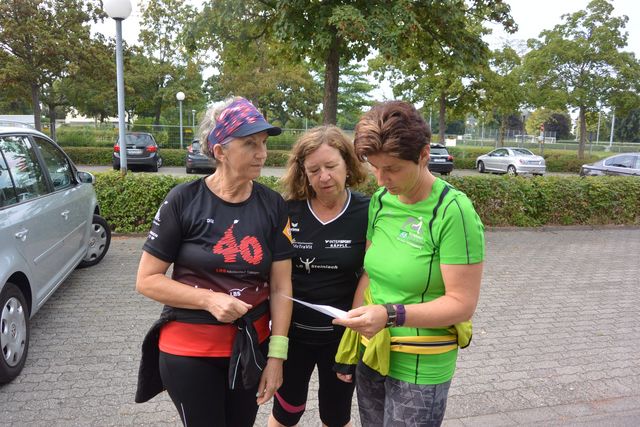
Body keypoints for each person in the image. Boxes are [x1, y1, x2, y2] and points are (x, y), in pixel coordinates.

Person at [134, 97, 294, 427]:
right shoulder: (183, 200)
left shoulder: (273, 206)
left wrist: (277, 356)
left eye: (264, 143)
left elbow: (281, 287)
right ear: (220, 151)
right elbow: (147, 280)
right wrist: (209, 300)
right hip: (188, 352)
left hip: (249, 349)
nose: (262, 153)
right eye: (250, 144)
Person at [333, 101, 485, 427]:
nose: (380, 179)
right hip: (373, 351)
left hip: (421, 363)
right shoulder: (381, 201)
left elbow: (462, 304)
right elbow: (370, 274)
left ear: (424, 155)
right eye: (375, 167)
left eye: (392, 168)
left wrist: (390, 315)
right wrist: (351, 344)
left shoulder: (453, 211)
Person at [268, 125, 369, 427]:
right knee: (286, 414)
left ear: (348, 165)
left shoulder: (368, 211)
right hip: (293, 335)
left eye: (331, 166)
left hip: (340, 337)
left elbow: (371, 273)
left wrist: (354, 335)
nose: (324, 177)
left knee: (336, 417)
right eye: (314, 170)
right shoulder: (288, 211)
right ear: (303, 173)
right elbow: (274, 278)